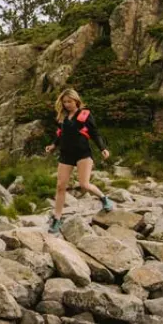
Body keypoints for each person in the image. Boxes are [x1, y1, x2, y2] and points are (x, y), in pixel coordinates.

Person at [44, 88, 113, 234]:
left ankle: (104, 198)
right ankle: (57, 219)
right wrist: (53, 146)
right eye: (64, 102)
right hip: (66, 155)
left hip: (83, 153)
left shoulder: (85, 114)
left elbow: (95, 133)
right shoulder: (62, 117)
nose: (67, 104)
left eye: (69, 101)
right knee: (60, 186)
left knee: (84, 184)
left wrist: (103, 148)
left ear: (76, 100)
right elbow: (60, 134)